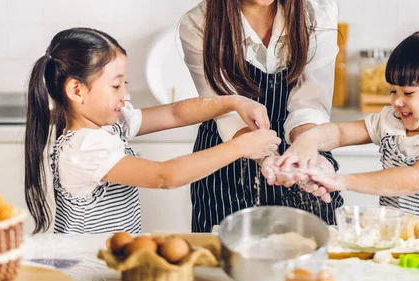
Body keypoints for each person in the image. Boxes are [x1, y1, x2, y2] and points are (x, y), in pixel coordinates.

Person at [24, 27, 280, 234]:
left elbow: (174, 114)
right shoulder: (83, 149)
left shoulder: (111, 125)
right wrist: (240, 147)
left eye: (124, 83)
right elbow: (164, 176)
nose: (125, 94)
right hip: (88, 270)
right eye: (115, 86)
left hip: (109, 261)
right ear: (77, 91)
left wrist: (233, 101)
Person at [274, 29, 419, 232]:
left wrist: (342, 181)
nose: (397, 101)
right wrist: (309, 140)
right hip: (398, 246)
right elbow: (341, 133)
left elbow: (413, 179)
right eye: (393, 91)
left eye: (408, 93)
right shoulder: (392, 121)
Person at [179, 0, 344, 232]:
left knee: (311, 258)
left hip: (303, 151)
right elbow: (227, 112)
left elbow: (310, 103)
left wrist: (306, 152)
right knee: (227, 261)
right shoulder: (199, 24)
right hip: (228, 158)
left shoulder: (317, 13)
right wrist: (268, 158)